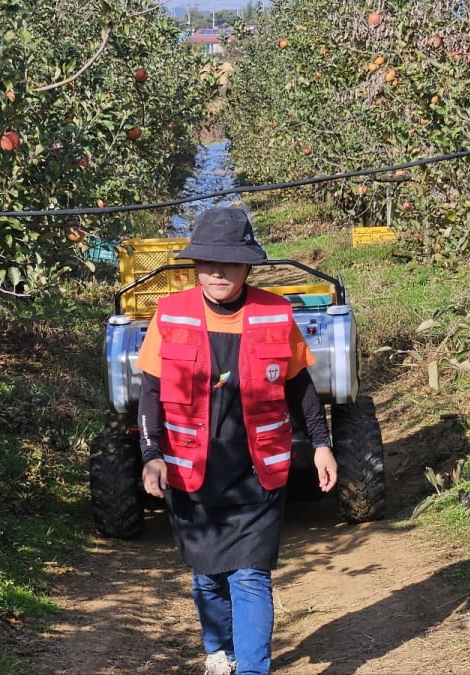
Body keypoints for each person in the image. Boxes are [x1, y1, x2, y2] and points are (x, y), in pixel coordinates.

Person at [134, 207, 337, 675]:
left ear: (247, 266)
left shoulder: (275, 312)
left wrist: (322, 443)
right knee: (207, 578)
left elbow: (299, 387)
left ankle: (251, 669)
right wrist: (151, 455)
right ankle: (217, 650)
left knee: (250, 576)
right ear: (196, 267)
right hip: (190, 468)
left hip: (257, 469)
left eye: (228, 262)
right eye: (207, 262)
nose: (217, 272)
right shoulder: (171, 313)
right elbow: (150, 391)